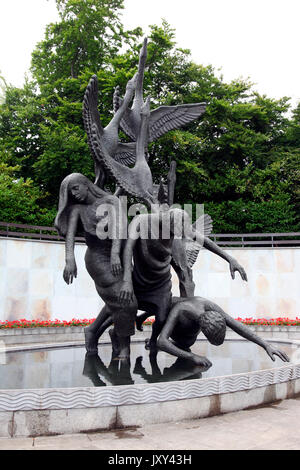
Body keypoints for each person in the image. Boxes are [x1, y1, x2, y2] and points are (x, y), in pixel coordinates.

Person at [119, 207, 248, 352]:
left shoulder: (176, 226)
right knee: (121, 307)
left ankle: (153, 340)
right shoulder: (142, 221)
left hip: (161, 284)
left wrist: (230, 259)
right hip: (139, 278)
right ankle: (122, 339)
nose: (177, 236)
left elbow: (203, 240)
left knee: (163, 315)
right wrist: (126, 281)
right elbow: (127, 248)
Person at [54, 172, 137, 359]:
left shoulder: (111, 201)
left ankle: (92, 330)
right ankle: (124, 348)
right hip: (97, 258)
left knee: (119, 298)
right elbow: (70, 237)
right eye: (70, 192)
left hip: (120, 256)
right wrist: (69, 259)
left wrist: (116, 254)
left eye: (75, 188)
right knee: (126, 301)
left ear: (86, 184)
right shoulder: (76, 210)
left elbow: (119, 229)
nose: (74, 194)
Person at [157, 296, 290, 366]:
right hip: (167, 324)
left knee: (195, 366)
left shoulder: (207, 305)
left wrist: (266, 344)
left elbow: (235, 324)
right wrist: (193, 357)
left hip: (186, 337)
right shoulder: (181, 308)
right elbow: (162, 342)